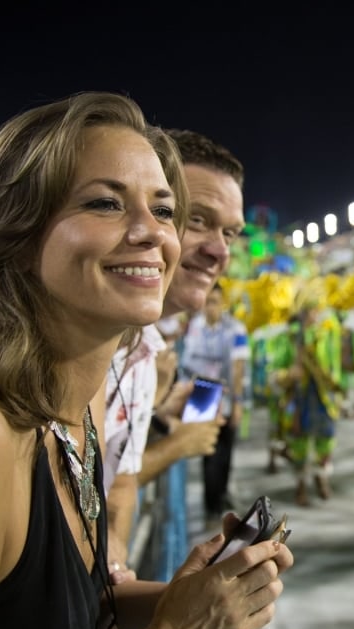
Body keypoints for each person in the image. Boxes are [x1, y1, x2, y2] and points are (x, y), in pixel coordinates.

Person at [0, 91, 292, 629]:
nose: (151, 233)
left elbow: (48, 616)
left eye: (165, 210)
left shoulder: (75, 408)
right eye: (105, 203)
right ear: (15, 235)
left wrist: (182, 599)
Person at [106, 127, 247, 580]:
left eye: (231, 232)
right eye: (198, 219)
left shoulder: (143, 348)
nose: (219, 250)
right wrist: (175, 446)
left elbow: (115, 492)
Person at [268, 278, 344, 505]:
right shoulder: (288, 337)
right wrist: (289, 375)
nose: (314, 315)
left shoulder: (328, 335)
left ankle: (322, 478)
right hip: (298, 399)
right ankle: (300, 485)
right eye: (309, 311)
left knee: (326, 441)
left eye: (316, 310)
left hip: (323, 399)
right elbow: (274, 371)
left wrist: (336, 387)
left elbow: (335, 366)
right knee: (298, 444)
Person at [179, 282, 250, 519]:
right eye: (207, 302)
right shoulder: (194, 327)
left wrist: (238, 403)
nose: (211, 308)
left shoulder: (236, 330)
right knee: (207, 449)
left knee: (225, 449)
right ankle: (211, 504)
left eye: (215, 302)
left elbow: (239, 368)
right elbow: (187, 363)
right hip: (202, 393)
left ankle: (220, 495)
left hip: (227, 395)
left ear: (222, 303)